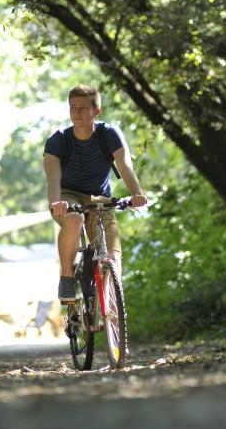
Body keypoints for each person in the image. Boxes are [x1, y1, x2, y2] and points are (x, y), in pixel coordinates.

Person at [43, 85, 148, 302]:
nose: (77, 113)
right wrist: (56, 202)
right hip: (67, 195)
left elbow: (125, 166)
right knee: (74, 219)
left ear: (96, 111)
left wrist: (137, 194)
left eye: (83, 108)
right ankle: (67, 276)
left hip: (99, 198)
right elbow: (53, 178)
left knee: (113, 258)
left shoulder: (108, 134)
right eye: (73, 108)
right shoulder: (58, 140)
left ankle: (111, 309)